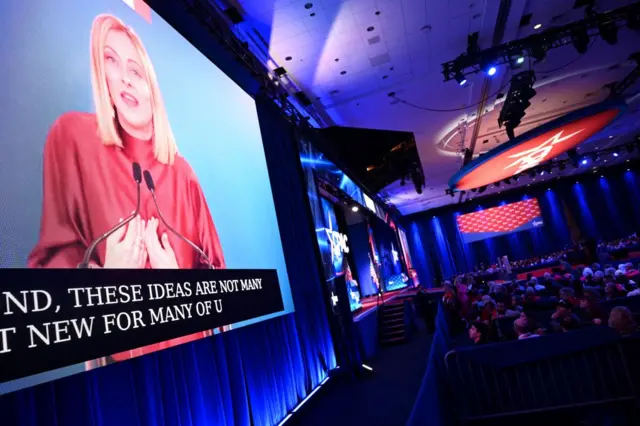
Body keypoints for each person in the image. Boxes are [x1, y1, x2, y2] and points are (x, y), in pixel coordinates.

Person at [29, 14, 228, 367]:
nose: (124, 78)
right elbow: (47, 278)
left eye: (136, 70)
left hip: (195, 363)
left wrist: (179, 287)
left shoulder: (183, 174)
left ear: (153, 85)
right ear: (99, 73)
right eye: (111, 60)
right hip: (122, 374)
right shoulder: (72, 137)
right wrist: (106, 281)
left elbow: (222, 289)